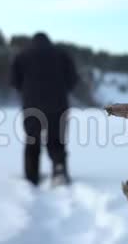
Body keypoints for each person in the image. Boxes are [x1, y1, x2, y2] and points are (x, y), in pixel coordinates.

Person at [10, 32, 78, 186]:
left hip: (31, 105)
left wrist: (26, 91)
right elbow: (73, 80)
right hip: (58, 104)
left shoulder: (22, 56)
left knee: (32, 139)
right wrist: (61, 90)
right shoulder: (62, 55)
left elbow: (14, 81)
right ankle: (59, 171)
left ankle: (31, 177)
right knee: (57, 140)